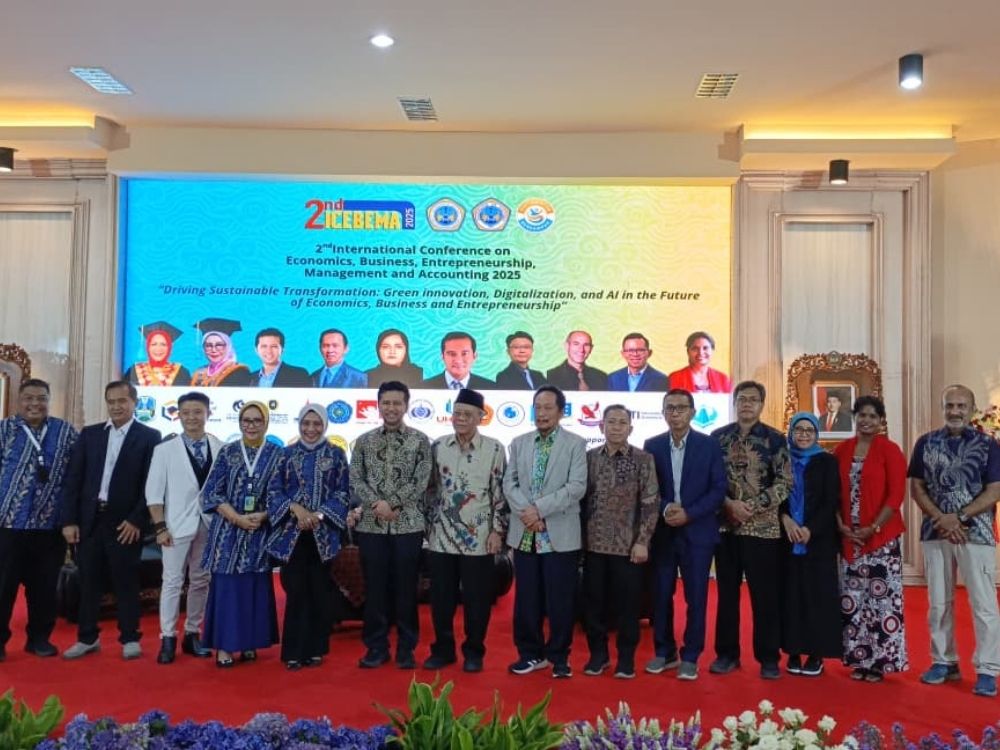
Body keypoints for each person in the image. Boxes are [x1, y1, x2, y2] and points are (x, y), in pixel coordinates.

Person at [909, 384, 1000, 698]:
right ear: (942, 408)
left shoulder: (988, 445)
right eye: (950, 405)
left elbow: (994, 490)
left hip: (977, 533)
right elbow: (917, 487)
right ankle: (944, 662)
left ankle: (987, 669)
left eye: (961, 406)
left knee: (984, 604)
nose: (955, 411)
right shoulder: (925, 443)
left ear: (972, 410)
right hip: (935, 532)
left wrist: (958, 517)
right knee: (938, 602)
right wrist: (941, 518)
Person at [61, 380, 161, 660]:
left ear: (134, 403)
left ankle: (130, 637)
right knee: (88, 581)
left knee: (126, 581)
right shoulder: (90, 435)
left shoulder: (149, 436)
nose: (116, 406)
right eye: (111, 402)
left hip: (125, 524)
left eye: (122, 401)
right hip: (90, 521)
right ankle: (87, 638)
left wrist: (137, 520)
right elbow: (74, 479)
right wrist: (69, 520)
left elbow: (152, 485)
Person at [643, 389, 727, 680]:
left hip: (698, 532)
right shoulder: (652, 445)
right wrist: (667, 508)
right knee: (661, 595)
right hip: (664, 532)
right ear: (663, 413)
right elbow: (649, 488)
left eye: (681, 407)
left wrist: (689, 513)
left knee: (697, 596)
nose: (675, 413)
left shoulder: (709, 445)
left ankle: (691, 655)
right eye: (670, 408)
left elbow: (718, 489)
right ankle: (665, 652)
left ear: (692, 412)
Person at [504, 385, 587, 678]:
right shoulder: (519, 442)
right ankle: (530, 655)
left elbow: (576, 487)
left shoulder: (575, 444)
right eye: (537, 407)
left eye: (548, 407)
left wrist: (538, 509)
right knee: (527, 599)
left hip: (559, 534)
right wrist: (528, 514)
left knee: (560, 600)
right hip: (525, 533)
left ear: (561, 411)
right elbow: (509, 484)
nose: (541, 413)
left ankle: (559, 657)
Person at [710, 380, 791, 679]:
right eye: (742, 399)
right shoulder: (717, 438)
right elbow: (709, 480)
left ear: (761, 404)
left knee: (764, 596)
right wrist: (729, 505)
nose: (746, 404)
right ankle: (726, 654)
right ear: (734, 403)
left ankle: (768, 658)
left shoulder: (775, 439)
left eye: (752, 399)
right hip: (726, 527)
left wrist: (752, 506)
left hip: (763, 529)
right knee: (726, 595)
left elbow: (784, 482)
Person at [424, 389, 508, 673]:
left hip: (479, 538)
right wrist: (430, 526)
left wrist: (497, 531)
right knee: (441, 600)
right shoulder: (438, 446)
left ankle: (474, 652)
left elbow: (500, 494)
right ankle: (443, 650)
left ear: (480, 417)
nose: (460, 418)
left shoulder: (494, 449)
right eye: (457, 413)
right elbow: (430, 490)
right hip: (442, 538)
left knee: (477, 600)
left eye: (467, 414)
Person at [350, 381, 432, 669]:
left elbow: (421, 480)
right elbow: (356, 478)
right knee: (375, 590)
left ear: (406, 406)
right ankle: (376, 647)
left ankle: (406, 649)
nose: (391, 408)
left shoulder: (420, 441)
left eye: (397, 403)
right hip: (371, 527)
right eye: (386, 402)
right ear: (378, 405)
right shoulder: (364, 441)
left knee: (406, 590)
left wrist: (393, 503)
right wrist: (377, 504)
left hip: (407, 526)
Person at [0, 379, 78, 661]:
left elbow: (75, 476)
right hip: (8, 524)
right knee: (3, 587)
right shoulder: (4, 430)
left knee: (44, 587)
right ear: (19, 400)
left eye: (41, 398)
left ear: (49, 400)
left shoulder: (65, 431)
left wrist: (70, 518)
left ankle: (39, 639)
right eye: (29, 398)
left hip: (50, 526)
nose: (35, 404)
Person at [267, 404, 349, 670]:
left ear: (324, 425)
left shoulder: (336, 454)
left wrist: (319, 515)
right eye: (306, 423)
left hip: (323, 536)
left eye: (316, 424)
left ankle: (316, 649)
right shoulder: (285, 454)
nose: (311, 429)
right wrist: (296, 509)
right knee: (296, 592)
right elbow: (274, 491)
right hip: (292, 535)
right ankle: (293, 651)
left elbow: (343, 492)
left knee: (319, 592)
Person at [833, 395, 909, 683]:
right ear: (855, 417)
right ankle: (859, 660)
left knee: (881, 602)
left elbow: (896, 496)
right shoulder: (842, 450)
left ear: (881, 421)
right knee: (853, 601)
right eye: (862, 415)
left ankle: (880, 662)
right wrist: (840, 525)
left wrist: (875, 527)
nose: (866, 420)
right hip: (849, 538)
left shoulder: (890, 450)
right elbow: (832, 493)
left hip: (881, 539)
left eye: (872, 416)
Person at [200, 401, 281, 667]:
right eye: (246, 420)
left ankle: (249, 643)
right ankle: (224, 648)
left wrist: (265, 515)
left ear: (266, 423)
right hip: (228, 533)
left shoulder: (277, 454)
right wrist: (237, 518)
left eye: (257, 420)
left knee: (253, 590)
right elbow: (212, 493)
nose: (251, 426)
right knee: (227, 591)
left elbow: (283, 495)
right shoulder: (228, 452)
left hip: (259, 533)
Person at [582, 404, 658, 679]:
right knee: (593, 605)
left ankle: (626, 659)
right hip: (593, 545)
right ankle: (598, 655)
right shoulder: (589, 458)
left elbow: (651, 502)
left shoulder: (643, 459)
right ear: (601, 426)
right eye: (611, 422)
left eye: (621, 423)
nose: (616, 427)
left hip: (628, 548)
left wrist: (643, 541)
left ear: (630, 428)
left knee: (628, 607)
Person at [144, 391, 220, 664]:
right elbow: (153, 494)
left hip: (209, 524)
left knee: (201, 580)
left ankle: (192, 633)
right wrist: (160, 527)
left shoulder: (220, 447)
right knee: (172, 581)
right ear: (179, 415)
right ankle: (167, 638)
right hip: (174, 527)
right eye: (186, 412)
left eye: (197, 412)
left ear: (208, 413)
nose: (192, 417)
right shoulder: (164, 450)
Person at [779, 412, 842, 677]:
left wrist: (810, 529)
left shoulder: (827, 461)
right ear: (791, 432)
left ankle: (816, 654)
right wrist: (785, 519)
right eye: (799, 430)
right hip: (786, 539)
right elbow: (776, 496)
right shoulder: (782, 460)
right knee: (791, 597)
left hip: (819, 541)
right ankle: (793, 651)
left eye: (809, 430)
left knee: (818, 597)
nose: (803, 435)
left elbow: (831, 501)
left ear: (817, 434)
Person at [124, 321, 191, 387]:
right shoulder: (133, 371)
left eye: (163, 344)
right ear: (148, 347)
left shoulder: (182, 372)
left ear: (170, 348)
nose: (158, 348)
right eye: (154, 344)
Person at [189, 318, 252, 387]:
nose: (213, 350)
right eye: (208, 345)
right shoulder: (199, 372)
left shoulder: (239, 371)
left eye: (219, 345)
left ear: (228, 346)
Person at [422, 332, 495, 390]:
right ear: (442, 356)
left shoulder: (491, 387)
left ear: (474, 356)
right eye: (452, 354)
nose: (458, 360)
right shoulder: (424, 387)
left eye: (464, 354)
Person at [668, 331, 732, 393]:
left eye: (705, 348)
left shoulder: (723, 379)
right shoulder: (675, 378)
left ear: (712, 351)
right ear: (688, 351)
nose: (700, 353)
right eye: (695, 348)